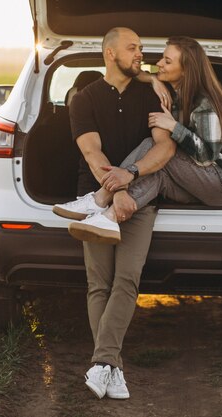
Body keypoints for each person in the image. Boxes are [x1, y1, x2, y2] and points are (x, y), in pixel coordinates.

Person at [52, 27, 176, 400]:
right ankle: (113, 366)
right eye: (133, 47)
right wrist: (117, 191)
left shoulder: (150, 94)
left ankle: (103, 363)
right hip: (96, 202)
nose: (141, 53)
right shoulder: (84, 99)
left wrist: (131, 182)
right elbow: (92, 154)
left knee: (127, 280)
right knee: (99, 284)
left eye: (141, 47)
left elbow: (164, 148)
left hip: (139, 203)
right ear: (110, 53)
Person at [63, 35, 222, 244]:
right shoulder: (173, 93)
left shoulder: (204, 104)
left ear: (185, 70)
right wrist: (153, 79)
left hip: (219, 186)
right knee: (158, 175)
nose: (158, 64)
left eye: (167, 61)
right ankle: (109, 218)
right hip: (195, 183)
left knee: (153, 145)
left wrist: (174, 127)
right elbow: (133, 72)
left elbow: (207, 157)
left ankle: (100, 198)